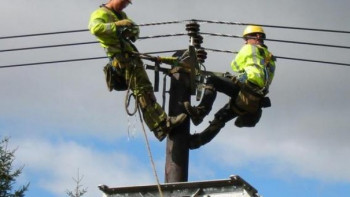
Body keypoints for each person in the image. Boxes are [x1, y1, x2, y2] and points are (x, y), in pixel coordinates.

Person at [88, 0, 187, 141]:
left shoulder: (122, 14)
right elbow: (95, 29)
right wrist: (116, 26)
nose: (124, 5)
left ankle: (160, 125)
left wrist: (132, 31)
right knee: (142, 91)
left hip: (131, 58)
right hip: (121, 60)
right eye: (123, 2)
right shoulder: (100, 13)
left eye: (127, 3)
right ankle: (161, 124)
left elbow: (135, 28)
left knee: (145, 90)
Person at [184, 25, 276, 149]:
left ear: (257, 36)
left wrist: (242, 66)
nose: (245, 41)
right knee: (220, 118)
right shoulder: (271, 60)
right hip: (254, 100)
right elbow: (261, 75)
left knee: (213, 80)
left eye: (247, 38)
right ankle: (196, 142)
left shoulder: (249, 48)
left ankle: (200, 112)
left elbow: (235, 65)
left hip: (246, 89)